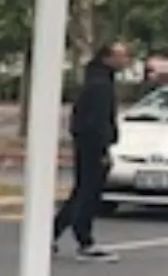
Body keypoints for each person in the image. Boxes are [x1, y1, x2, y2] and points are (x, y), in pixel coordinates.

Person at [53, 40, 126, 261]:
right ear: (107, 57)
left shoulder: (97, 79)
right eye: (121, 56)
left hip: (87, 143)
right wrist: (103, 147)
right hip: (92, 145)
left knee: (81, 191)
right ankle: (85, 242)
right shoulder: (99, 85)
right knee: (89, 193)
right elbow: (96, 120)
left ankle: (52, 233)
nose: (125, 60)